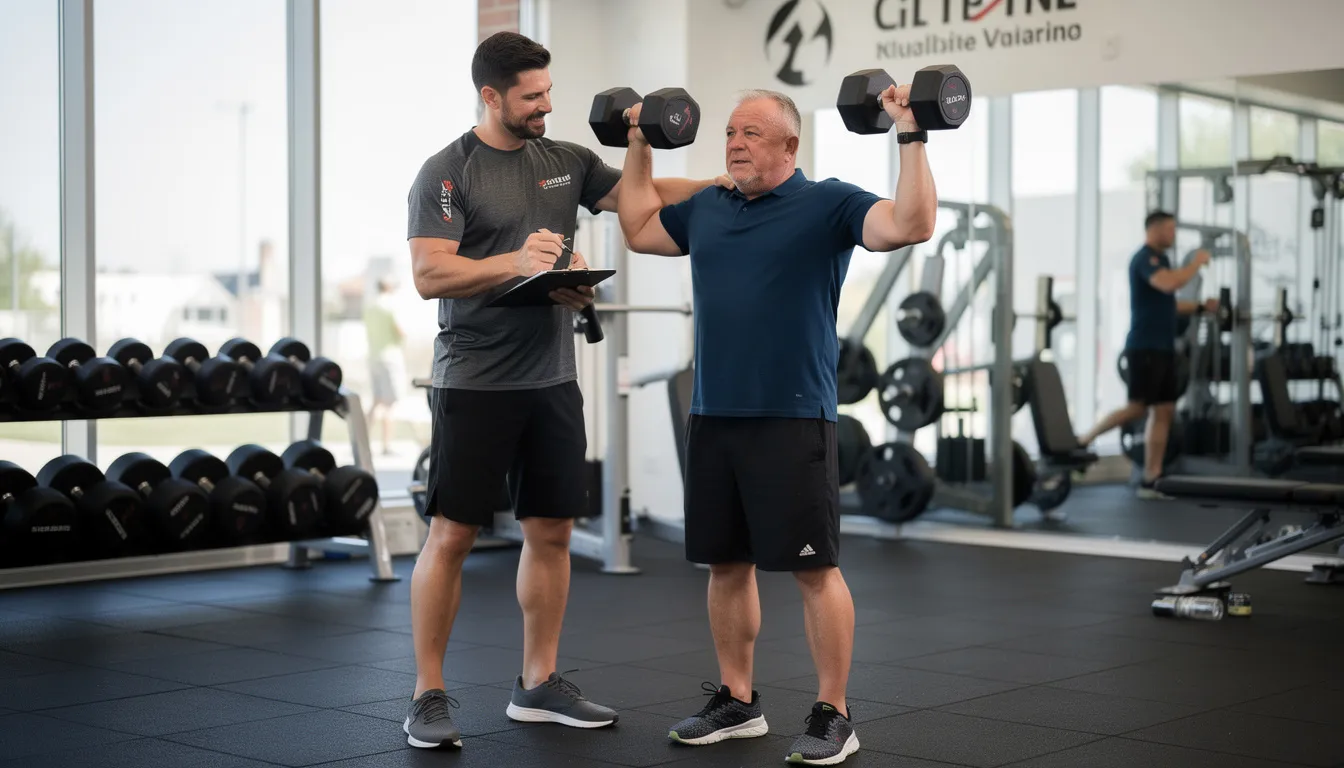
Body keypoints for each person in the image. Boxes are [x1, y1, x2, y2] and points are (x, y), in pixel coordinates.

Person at [402, 31, 724, 750]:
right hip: (475, 382)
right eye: (532, 97)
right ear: (492, 96)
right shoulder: (447, 173)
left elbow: (643, 196)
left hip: (551, 378)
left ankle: (538, 683)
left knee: (552, 531)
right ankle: (427, 693)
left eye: (549, 92)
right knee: (452, 535)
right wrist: (513, 261)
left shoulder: (566, 161)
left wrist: (728, 182)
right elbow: (430, 275)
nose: (548, 106)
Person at [614, 85, 937, 765]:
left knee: (814, 571)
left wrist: (909, 132)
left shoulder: (828, 203)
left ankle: (834, 712)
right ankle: (737, 699)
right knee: (726, 565)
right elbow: (640, 227)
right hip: (715, 414)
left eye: (752, 133)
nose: (735, 142)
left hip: (794, 415)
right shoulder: (708, 208)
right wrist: (638, 142)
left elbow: (909, 224)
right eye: (730, 132)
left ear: (790, 145)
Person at [1076, 210, 1216, 498]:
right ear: (1153, 229)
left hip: (1163, 348)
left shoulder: (1162, 261)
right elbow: (1169, 284)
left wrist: (1202, 307)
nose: (1173, 234)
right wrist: (1196, 263)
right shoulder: (1145, 259)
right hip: (1144, 347)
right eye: (1169, 229)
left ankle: (1152, 477)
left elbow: (1169, 305)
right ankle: (1083, 440)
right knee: (1137, 407)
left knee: (1164, 410)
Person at [363, 277, 407, 456]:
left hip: (374, 358)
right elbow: (400, 332)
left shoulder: (370, 307)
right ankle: (386, 446)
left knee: (376, 401)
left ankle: (363, 442)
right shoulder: (389, 306)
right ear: (388, 287)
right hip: (390, 358)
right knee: (389, 404)